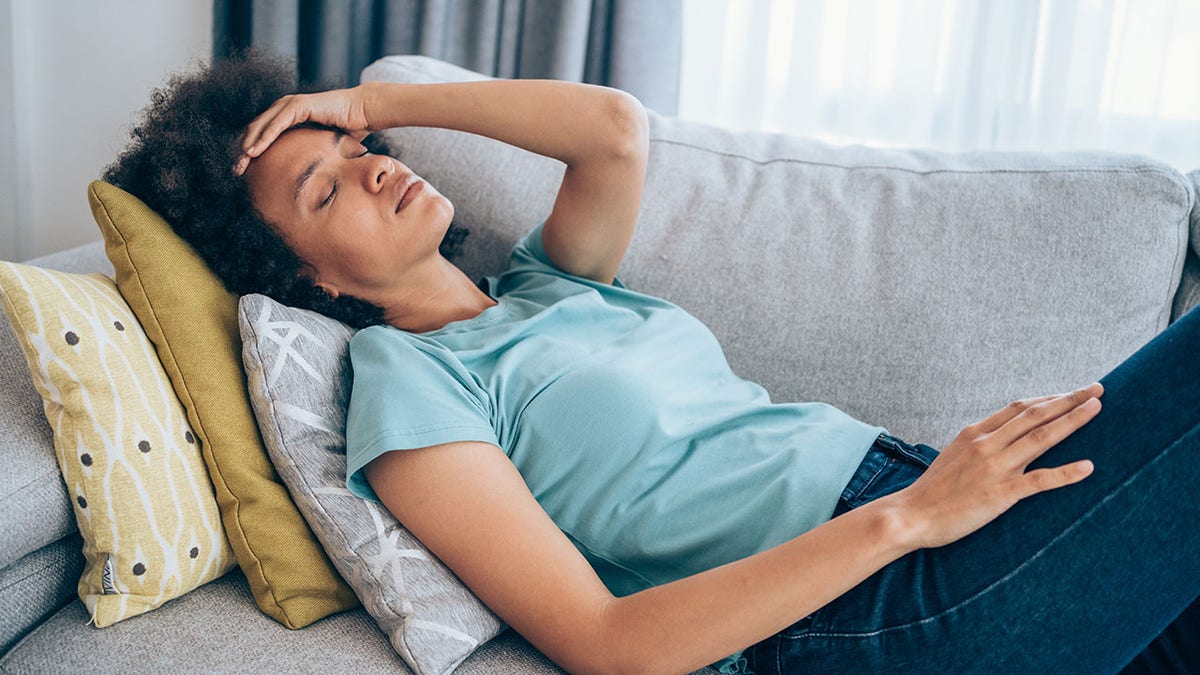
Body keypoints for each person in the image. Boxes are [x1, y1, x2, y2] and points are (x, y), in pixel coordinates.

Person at [106, 52, 1199, 674]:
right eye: (327, 190)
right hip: (864, 609)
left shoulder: (551, 286)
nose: (372, 168)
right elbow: (605, 643)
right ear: (311, 284)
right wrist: (908, 520)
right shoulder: (410, 390)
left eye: (355, 151)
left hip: (923, 501)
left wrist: (373, 99)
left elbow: (615, 132)